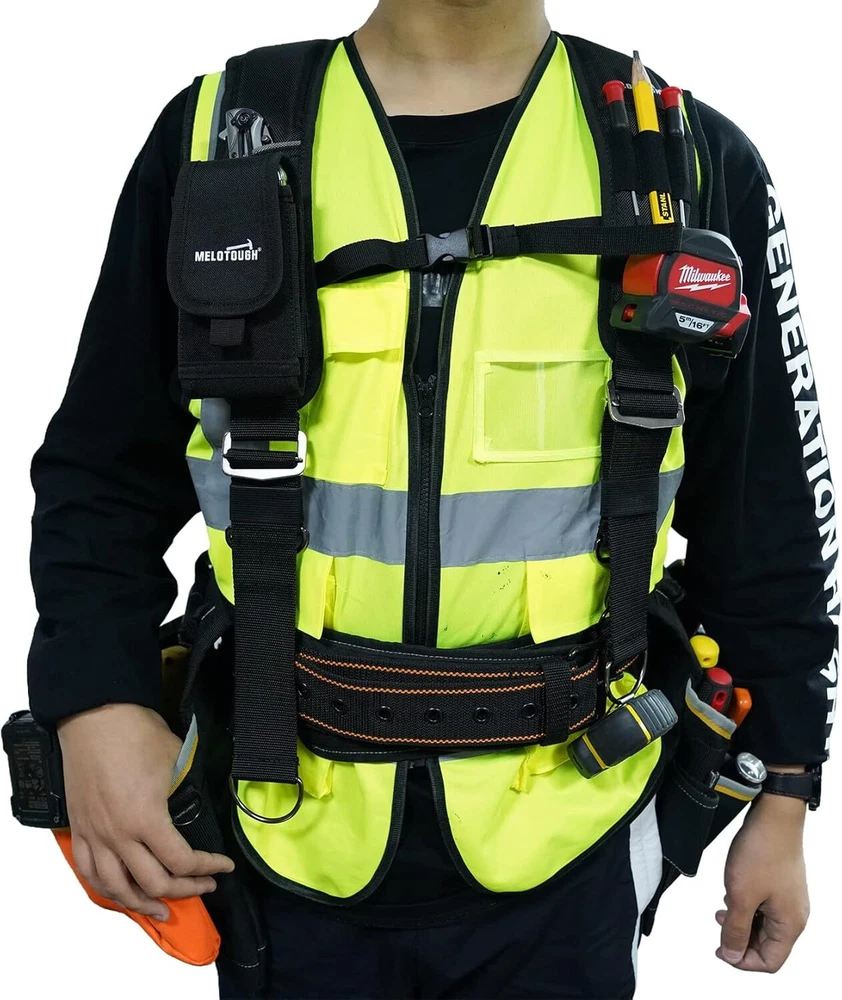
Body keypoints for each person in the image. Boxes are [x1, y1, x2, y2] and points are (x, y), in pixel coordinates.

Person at [27, 1, 835, 997]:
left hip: (571, 841)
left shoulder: (688, 161)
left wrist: (784, 785)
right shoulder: (218, 138)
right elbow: (100, 473)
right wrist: (95, 705)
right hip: (279, 826)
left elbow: (767, 511)